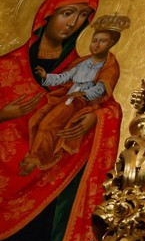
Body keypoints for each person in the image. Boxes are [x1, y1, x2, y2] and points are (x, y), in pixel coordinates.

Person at [0, 0, 123, 241]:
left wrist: (97, 118)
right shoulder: (6, 66)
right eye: (67, 13)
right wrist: (5, 114)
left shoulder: (82, 67)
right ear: (46, 15)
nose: (73, 23)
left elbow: (104, 102)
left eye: (83, 17)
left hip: (51, 183)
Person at [21, 25, 123, 175]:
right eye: (94, 40)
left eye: (102, 41)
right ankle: (35, 155)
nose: (96, 44)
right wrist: (46, 77)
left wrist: (83, 94)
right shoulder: (83, 62)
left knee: (46, 124)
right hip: (68, 98)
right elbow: (65, 77)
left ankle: (36, 160)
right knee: (36, 120)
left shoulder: (109, 67)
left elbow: (101, 89)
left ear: (111, 44)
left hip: (80, 103)